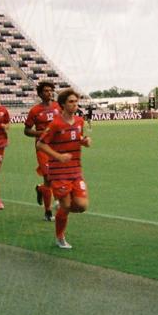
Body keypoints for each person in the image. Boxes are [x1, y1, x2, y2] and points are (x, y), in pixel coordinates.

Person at [36, 89, 91, 249]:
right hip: (59, 172)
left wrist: (84, 141)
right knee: (67, 205)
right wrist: (58, 156)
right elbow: (41, 144)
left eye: (76, 102)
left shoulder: (80, 121)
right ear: (62, 105)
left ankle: (60, 207)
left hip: (75, 170)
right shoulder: (55, 123)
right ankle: (60, 237)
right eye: (71, 102)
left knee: (81, 206)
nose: (74, 105)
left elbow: (76, 138)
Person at [24, 81, 60, 221]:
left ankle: (40, 189)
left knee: (52, 180)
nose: (49, 93)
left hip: (57, 147)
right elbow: (26, 130)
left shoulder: (58, 107)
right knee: (49, 177)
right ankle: (48, 211)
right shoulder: (35, 111)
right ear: (40, 94)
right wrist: (41, 133)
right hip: (42, 147)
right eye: (46, 91)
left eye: (51, 90)